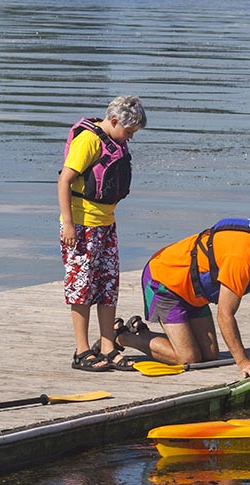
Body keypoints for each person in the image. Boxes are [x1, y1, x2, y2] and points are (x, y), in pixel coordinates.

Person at [116, 218, 250, 378]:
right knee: (188, 358)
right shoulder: (243, 257)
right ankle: (125, 336)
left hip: (195, 294)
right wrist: (243, 362)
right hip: (165, 282)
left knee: (210, 355)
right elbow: (225, 315)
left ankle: (141, 332)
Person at [58, 95, 147, 372]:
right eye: (128, 132)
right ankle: (81, 350)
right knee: (81, 288)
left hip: (106, 224)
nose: (129, 138)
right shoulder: (89, 141)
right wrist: (69, 225)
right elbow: (64, 181)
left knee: (108, 287)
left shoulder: (115, 142)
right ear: (114, 120)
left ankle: (108, 345)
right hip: (82, 226)